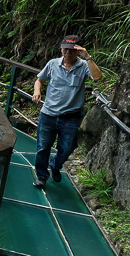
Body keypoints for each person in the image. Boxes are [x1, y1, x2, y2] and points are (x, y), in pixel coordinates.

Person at [31, 35, 102, 188]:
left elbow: (97, 77)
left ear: (77, 51)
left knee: (68, 147)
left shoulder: (83, 65)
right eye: (65, 49)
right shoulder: (52, 64)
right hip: (48, 114)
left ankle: (55, 165)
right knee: (42, 147)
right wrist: (37, 91)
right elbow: (39, 80)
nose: (67, 52)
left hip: (71, 117)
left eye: (71, 50)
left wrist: (88, 57)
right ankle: (42, 176)